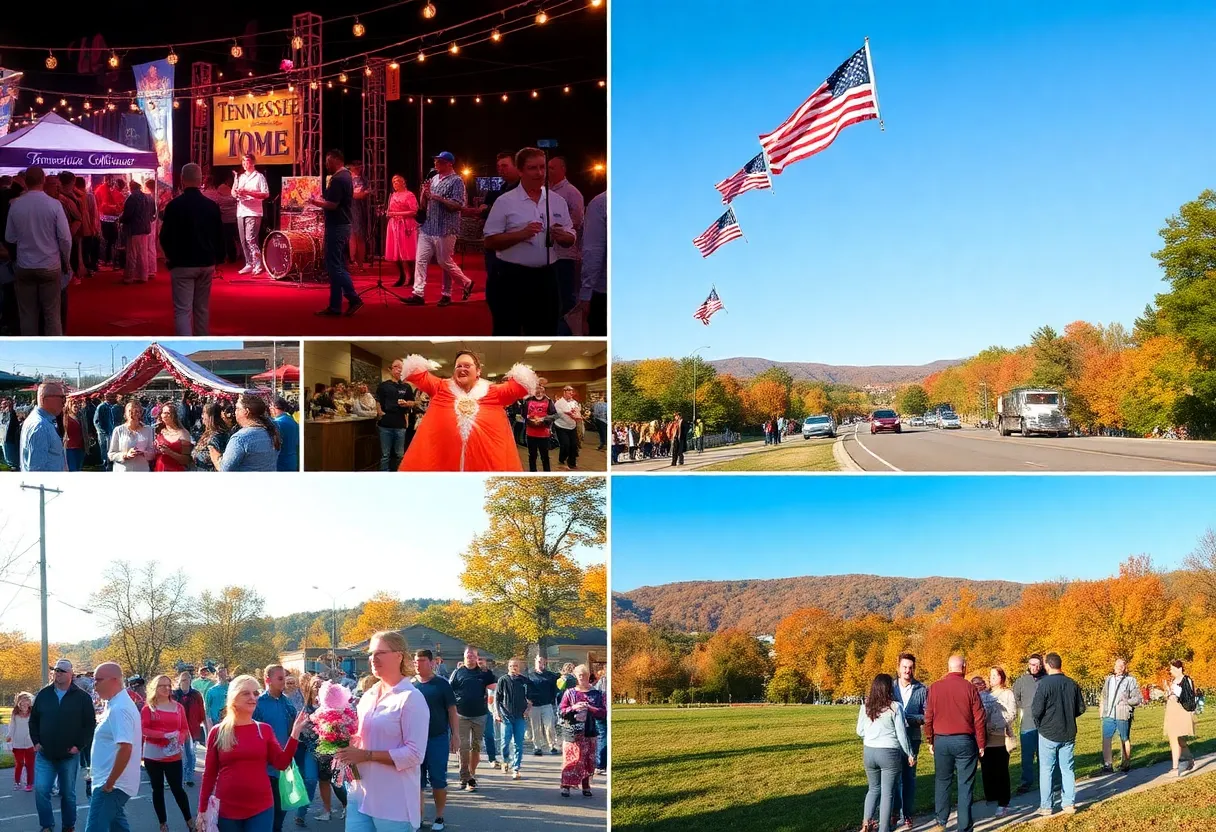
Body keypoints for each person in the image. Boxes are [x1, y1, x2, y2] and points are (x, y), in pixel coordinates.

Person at [334, 631, 428, 832]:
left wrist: (366, 755)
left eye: (379, 653)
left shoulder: (411, 698)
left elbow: (414, 754)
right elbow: (360, 738)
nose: (373, 659)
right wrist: (338, 738)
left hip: (393, 803)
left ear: (399, 655)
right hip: (360, 795)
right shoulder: (368, 695)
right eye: (370, 654)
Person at [197, 675, 308, 832]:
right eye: (246, 693)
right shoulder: (218, 732)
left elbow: (282, 763)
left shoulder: (264, 730)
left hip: (261, 807)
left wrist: (295, 734)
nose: (252, 698)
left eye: (255, 693)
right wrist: (202, 809)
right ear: (234, 697)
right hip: (227, 808)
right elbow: (209, 774)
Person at [482, 147, 575, 333]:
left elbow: (570, 236)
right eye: (533, 168)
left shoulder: (557, 201)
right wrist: (521, 234)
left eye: (543, 167)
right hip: (511, 277)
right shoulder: (505, 201)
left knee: (546, 331)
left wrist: (565, 237)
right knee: (507, 331)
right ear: (520, 170)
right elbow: (490, 241)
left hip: (546, 278)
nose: (540, 173)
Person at [396, 351, 537, 472]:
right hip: (443, 459)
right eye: (458, 366)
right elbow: (416, 374)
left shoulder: (494, 391)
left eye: (467, 366)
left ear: (478, 371)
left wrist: (520, 375)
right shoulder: (440, 387)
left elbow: (520, 387)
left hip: (485, 462)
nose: (462, 369)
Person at [31, 658, 97, 832]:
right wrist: (36, 742)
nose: (57, 673)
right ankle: (47, 825)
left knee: (68, 794)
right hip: (45, 753)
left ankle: (69, 825)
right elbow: (34, 720)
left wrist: (78, 746)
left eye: (61, 671)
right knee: (41, 790)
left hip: (69, 755)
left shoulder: (82, 697)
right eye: (55, 670)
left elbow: (89, 724)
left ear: (71, 675)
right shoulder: (44, 694)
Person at [923, 655, 986, 832]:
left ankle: (941, 822)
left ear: (948, 667)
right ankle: (964, 826)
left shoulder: (935, 687)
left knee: (942, 781)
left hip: (942, 739)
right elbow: (979, 718)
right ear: (964, 667)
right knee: (965, 784)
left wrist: (930, 739)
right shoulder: (970, 688)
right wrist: (981, 743)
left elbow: (928, 717)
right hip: (965, 740)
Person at [4, 166, 70, 334]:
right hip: (50, 265)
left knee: (27, 315)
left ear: (25, 182)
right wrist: (66, 261)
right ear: (43, 180)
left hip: (25, 266)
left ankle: (29, 346)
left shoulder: (16, 205)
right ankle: (55, 349)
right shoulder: (54, 205)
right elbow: (65, 238)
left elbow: (10, 237)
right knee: (52, 315)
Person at [160, 162, 223, 335]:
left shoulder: (173, 206)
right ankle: (203, 338)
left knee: (182, 310)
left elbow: (164, 236)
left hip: (182, 264)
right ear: (200, 180)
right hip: (206, 262)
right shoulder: (211, 206)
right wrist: (218, 259)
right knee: (202, 309)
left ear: (182, 180)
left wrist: (170, 257)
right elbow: (219, 235)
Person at [406, 152, 474, 307]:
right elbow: (424, 205)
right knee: (421, 260)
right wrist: (424, 194)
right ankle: (418, 293)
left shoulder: (456, 181)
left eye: (439, 161)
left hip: (446, 227)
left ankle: (453, 290)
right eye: (435, 161)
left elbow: (457, 205)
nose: (436, 164)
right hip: (428, 226)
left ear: (449, 164)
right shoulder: (434, 178)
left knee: (444, 261)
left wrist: (436, 197)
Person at [83, 662, 141, 832]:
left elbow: (125, 748)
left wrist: (109, 783)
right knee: (118, 827)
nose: (94, 685)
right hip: (109, 782)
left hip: (113, 785)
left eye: (98, 680)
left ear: (114, 680)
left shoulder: (120, 708)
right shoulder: (114, 704)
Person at [856, 674, 915, 832]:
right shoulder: (895, 707)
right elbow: (901, 735)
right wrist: (909, 753)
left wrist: (871, 734)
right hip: (889, 752)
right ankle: (884, 829)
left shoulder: (866, 705)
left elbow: (859, 730)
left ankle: (866, 823)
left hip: (869, 752)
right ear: (889, 688)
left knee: (873, 789)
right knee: (887, 793)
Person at [1030, 652, 1086, 816]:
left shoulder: (1044, 684)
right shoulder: (1072, 683)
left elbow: (1036, 710)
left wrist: (1040, 724)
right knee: (1067, 769)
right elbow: (1081, 708)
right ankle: (1069, 803)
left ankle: (1046, 806)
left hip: (1048, 732)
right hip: (1068, 731)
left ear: (1047, 665)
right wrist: (1068, 715)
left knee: (1046, 769)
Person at [311, 149, 362, 317]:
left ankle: (353, 298)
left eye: (328, 161)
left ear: (336, 160)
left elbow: (332, 204)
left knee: (334, 266)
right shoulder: (346, 176)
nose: (326, 165)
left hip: (337, 225)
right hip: (342, 224)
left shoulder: (339, 178)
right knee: (338, 265)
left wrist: (316, 202)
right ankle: (335, 306)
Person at [142, 674, 195, 832]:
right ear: (154, 689)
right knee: (157, 789)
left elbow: (185, 728)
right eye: (162, 685)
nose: (166, 688)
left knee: (177, 789)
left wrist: (179, 738)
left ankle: (189, 821)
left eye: (168, 685)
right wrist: (163, 735)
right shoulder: (148, 708)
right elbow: (143, 729)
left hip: (173, 754)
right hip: (153, 755)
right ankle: (163, 823)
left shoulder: (178, 707)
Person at [413, 650, 458, 832]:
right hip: (414, 741)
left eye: (422, 660)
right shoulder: (410, 685)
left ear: (432, 663)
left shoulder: (442, 684)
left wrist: (455, 735)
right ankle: (418, 817)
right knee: (416, 781)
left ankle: (439, 817)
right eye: (416, 661)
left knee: (438, 779)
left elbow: (452, 711)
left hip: (437, 738)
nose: (418, 663)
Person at [252, 665, 299, 832]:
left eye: (284, 678)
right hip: (264, 768)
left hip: (285, 764)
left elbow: (294, 730)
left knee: (282, 808)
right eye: (280, 678)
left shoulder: (287, 703)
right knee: (268, 811)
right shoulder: (258, 704)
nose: (284, 681)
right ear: (268, 680)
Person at [449, 647, 497, 792]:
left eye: (473, 655)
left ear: (477, 657)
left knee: (476, 747)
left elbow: (495, 686)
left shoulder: (483, 673)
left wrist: (486, 670)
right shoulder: (458, 672)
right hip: (461, 715)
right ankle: (464, 777)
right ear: (464, 657)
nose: (470, 657)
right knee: (463, 747)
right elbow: (449, 691)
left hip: (480, 715)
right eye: (467, 655)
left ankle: (472, 775)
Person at [557, 664, 606, 798]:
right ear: (576, 677)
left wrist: (590, 708)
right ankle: (566, 786)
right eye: (580, 675)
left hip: (589, 732)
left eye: (584, 675)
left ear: (588, 676)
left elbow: (603, 713)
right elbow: (561, 711)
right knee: (571, 760)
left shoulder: (597, 694)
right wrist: (573, 708)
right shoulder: (570, 692)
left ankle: (586, 786)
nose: (582, 678)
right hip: (572, 732)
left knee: (587, 760)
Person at [547, 156, 585, 329]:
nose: (548, 171)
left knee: (565, 295)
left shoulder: (572, 192)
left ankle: (569, 329)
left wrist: (560, 228)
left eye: (552, 168)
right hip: (546, 253)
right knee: (550, 295)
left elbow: (577, 221)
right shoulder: (543, 191)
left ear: (563, 169)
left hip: (565, 253)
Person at [890, 653, 926, 830]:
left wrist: (909, 718)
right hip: (891, 740)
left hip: (912, 739)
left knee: (909, 778)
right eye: (904, 667)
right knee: (893, 777)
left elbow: (927, 715)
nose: (907, 670)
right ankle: (894, 811)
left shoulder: (921, 689)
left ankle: (908, 814)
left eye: (911, 667)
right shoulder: (889, 687)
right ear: (898, 668)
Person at [977, 669, 1016, 817]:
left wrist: (996, 724)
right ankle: (991, 797)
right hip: (985, 739)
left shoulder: (1007, 694)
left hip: (1000, 738)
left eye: (995, 675)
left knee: (1001, 772)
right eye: (991, 676)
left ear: (1002, 677)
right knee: (987, 771)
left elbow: (1012, 713)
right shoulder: (984, 695)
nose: (992, 678)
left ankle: (1003, 802)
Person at [215, 393, 281, 472]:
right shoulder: (272, 430)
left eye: (237, 408)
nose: (235, 412)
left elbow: (224, 469)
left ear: (246, 412)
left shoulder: (240, 439)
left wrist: (214, 453)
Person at [1099, 657, 1143, 773]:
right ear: (1114, 667)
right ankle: (1108, 765)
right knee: (1106, 738)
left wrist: (1127, 701)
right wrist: (1102, 710)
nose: (1119, 668)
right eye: (1117, 665)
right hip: (1108, 714)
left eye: (1122, 666)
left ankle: (1126, 763)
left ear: (1125, 668)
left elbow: (1138, 698)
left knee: (1124, 738)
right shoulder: (1109, 679)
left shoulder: (1130, 680)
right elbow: (1104, 695)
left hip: (1122, 713)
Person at [1012, 653, 1046, 795]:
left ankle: (1046, 781)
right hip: (1027, 723)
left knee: (1044, 755)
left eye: (1037, 665)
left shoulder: (1046, 680)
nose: (1034, 667)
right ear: (1028, 665)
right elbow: (1016, 699)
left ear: (1041, 665)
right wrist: (1027, 708)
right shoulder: (1021, 681)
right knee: (1027, 756)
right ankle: (1026, 782)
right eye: (1032, 664)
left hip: (1044, 723)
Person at [375, 359, 417, 471]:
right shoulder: (383, 386)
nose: (399, 369)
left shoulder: (406, 387)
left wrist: (406, 403)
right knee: (385, 455)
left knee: (400, 455)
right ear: (390, 369)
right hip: (385, 425)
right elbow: (378, 400)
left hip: (400, 425)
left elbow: (412, 402)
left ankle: (399, 475)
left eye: (401, 367)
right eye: (396, 366)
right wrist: (379, 412)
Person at [494, 659, 531, 780]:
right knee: (505, 742)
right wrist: (497, 713)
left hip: (520, 716)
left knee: (518, 744)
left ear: (519, 667)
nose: (513, 668)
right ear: (508, 667)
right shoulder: (503, 680)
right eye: (511, 666)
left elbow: (531, 697)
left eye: (515, 666)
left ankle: (516, 768)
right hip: (506, 716)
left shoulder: (523, 681)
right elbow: (497, 699)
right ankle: (505, 761)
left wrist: (528, 709)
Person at [234, 153, 269, 275]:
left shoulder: (259, 177)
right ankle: (249, 263)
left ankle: (258, 264)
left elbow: (265, 194)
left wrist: (248, 192)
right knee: (243, 240)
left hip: (253, 212)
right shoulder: (241, 177)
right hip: (241, 211)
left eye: (247, 161)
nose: (244, 164)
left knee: (251, 239)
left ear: (253, 163)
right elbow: (235, 192)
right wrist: (237, 193)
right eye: (243, 162)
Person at [20, 381, 68, 472]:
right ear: (44, 399)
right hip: (48, 485)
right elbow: (36, 471)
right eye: (62, 397)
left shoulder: (44, 422)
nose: (64, 402)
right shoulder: (40, 426)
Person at [1164, 659, 1198, 777]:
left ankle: (1175, 768)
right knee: (1176, 739)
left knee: (1178, 739)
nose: (1171, 671)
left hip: (1182, 711)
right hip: (1172, 711)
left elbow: (1190, 697)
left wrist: (1177, 696)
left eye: (1173, 669)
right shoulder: (1173, 681)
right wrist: (1169, 693)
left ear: (1179, 668)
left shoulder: (1186, 680)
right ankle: (1190, 760)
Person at [173, 671, 206, 788]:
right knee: (180, 755)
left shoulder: (196, 695)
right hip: (178, 729)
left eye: (187, 680)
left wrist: (205, 728)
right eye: (183, 680)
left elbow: (202, 712)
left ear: (190, 681)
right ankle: (179, 778)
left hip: (192, 729)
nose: (185, 682)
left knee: (191, 754)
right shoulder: (174, 695)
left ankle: (189, 777)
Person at [384, 175, 418, 287]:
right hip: (394, 225)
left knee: (406, 252)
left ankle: (411, 276)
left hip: (406, 225)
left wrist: (397, 214)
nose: (395, 184)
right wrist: (388, 213)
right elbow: (391, 210)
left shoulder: (409, 195)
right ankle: (402, 276)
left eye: (397, 181)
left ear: (403, 182)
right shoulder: (393, 195)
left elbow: (414, 211)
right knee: (396, 252)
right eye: (393, 182)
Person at [120, 175, 155, 284]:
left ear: (131, 188)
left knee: (132, 253)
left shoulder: (132, 198)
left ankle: (129, 277)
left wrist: (121, 219)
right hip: (145, 228)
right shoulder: (148, 197)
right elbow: (153, 212)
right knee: (143, 253)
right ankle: (143, 276)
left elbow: (128, 214)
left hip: (134, 229)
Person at [526, 656, 560, 756]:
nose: (541, 664)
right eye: (539, 662)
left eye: (543, 662)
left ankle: (552, 745)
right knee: (536, 727)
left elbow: (558, 684)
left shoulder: (550, 675)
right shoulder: (530, 676)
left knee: (549, 726)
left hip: (547, 704)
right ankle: (537, 746)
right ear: (535, 662)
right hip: (534, 705)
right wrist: (528, 703)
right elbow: (526, 690)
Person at [109, 400, 156, 472]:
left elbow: (152, 454)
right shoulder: (118, 430)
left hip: (142, 470)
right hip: (122, 470)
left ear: (141, 413)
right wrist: (125, 455)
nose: (133, 414)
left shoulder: (148, 430)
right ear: (125, 414)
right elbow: (111, 455)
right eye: (130, 411)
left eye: (136, 411)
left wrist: (143, 453)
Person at [523, 380, 558, 472]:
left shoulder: (548, 401)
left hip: (544, 434)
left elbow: (555, 415)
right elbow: (523, 414)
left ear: (544, 389)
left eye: (541, 387)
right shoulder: (528, 400)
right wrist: (531, 420)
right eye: (537, 387)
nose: (539, 389)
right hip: (530, 433)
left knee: (545, 456)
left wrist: (543, 420)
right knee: (532, 456)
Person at [5, 691, 36, 791]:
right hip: (17, 743)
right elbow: (12, 726)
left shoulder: (33, 713)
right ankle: (17, 782)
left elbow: (35, 727)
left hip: (30, 743)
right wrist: (9, 736)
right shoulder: (15, 714)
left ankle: (29, 783)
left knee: (30, 764)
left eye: (26, 700)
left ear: (29, 702)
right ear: (19, 702)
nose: (24, 703)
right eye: (22, 700)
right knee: (19, 763)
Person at [154, 402, 194, 472]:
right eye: (164, 413)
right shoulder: (158, 431)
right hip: (159, 468)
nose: (165, 415)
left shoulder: (183, 433)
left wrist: (170, 453)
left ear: (175, 416)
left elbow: (187, 460)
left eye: (168, 413)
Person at [554, 387, 585, 470]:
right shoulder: (558, 403)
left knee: (574, 445)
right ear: (564, 393)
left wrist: (577, 414)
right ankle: (562, 459)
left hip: (572, 426)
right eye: (569, 393)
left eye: (572, 393)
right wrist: (572, 415)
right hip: (561, 426)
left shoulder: (574, 402)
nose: (571, 394)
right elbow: (560, 415)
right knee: (565, 444)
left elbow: (577, 411)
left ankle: (572, 463)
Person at [348, 161, 370, 271]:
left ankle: (359, 263)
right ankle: (353, 260)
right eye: (355, 167)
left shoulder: (363, 180)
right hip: (347, 209)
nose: (358, 169)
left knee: (359, 236)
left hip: (358, 210)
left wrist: (356, 195)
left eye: (359, 167)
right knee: (351, 236)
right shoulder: (346, 180)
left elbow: (363, 194)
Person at [93, 393, 122, 472]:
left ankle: (114, 466)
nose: (110, 398)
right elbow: (96, 421)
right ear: (105, 397)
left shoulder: (118, 407)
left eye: (112, 396)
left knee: (116, 450)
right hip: (105, 434)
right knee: (106, 451)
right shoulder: (101, 407)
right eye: (108, 397)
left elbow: (121, 420)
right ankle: (107, 467)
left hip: (115, 433)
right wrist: (103, 432)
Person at [271, 398, 299, 472]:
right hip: (293, 461)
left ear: (274, 408)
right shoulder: (292, 421)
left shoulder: (277, 423)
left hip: (281, 462)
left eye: (270, 407)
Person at [204, 668, 231, 741]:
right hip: (215, 723)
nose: (221, 674)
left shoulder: (232, 689)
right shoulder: (211, 691)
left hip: (230, 723)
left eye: (223, 672)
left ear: (227, 674)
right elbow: (207, 709)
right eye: (219, 672)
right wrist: (209, 725)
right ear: (216, 674)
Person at [62, 397, 87, 471]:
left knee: (79, 469)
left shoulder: (81, 416)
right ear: (69, 405)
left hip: (81, 447)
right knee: (72, 469)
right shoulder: (65, 417)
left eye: (78, 405)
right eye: (75, 405)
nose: (77, 407)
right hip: (69, 448)